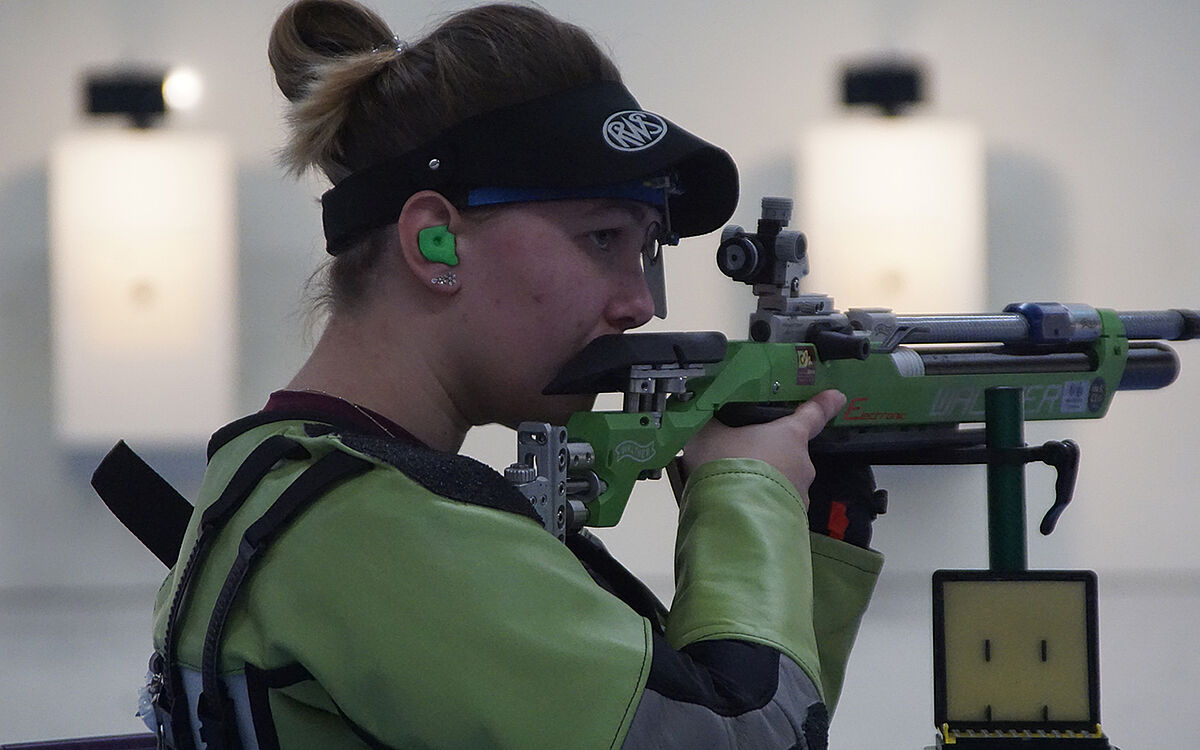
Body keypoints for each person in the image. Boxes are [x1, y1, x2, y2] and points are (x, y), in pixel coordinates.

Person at [143, 1, 884, 748]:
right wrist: (746, 494)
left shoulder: (294, 482)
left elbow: (735, 711)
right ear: (435, 243)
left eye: (648, 248)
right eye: (601, 238)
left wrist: (811, 528)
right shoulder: (379, 534)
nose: (637, 304)